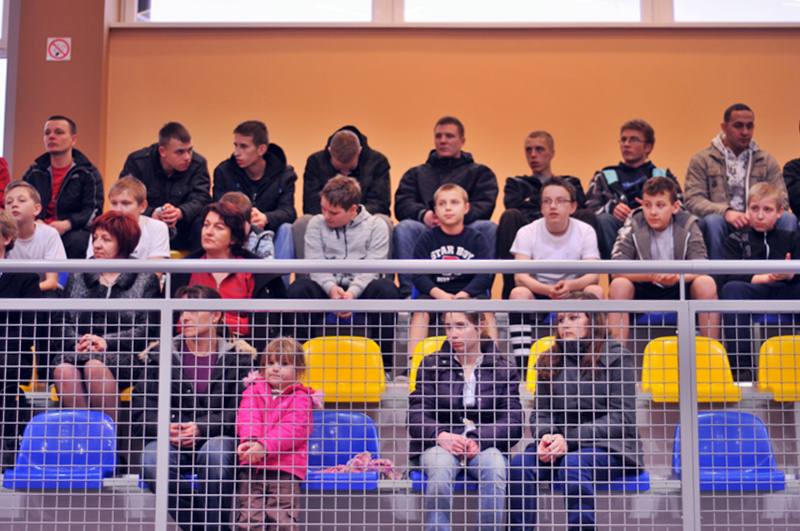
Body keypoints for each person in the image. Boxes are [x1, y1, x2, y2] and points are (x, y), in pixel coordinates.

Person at [508, 291, 644, 531]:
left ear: (593, 320)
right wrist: (547, 436)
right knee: (520, 466)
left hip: (611, 446)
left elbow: (622, 418)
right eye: (560, 319)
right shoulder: (549, 359)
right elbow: (541, 412)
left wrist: (569, 440)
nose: (565, 325)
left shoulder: (617, 356)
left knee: (574, 464)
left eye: (573, 317)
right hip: (560, 443)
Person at [134, 284, 254, 530]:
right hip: (172, 441)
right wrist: (166, 428)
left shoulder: (240, 357)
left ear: (216, 315)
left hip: (219, 439)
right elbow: (140, 410)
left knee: (215, 453)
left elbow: (245, 410)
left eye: (193, 310)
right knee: (151, 457)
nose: (184, 317)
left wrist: (201, 428)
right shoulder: (160, 356)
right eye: (181, 311)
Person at [407, 311, 522, 531]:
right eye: (448, 327)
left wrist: (479, 438)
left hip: (485, 444)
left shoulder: (503, 367)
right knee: (440, 468)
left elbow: (513, 419)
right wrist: (441, 435)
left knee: (495, 467)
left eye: (460, 326)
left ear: (480, 326)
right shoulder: (431, 364)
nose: (453, 334)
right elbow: (416, 413)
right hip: (440, 444)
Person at [52, 211, 161, 422]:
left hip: (123, 354)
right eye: (95, 238)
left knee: (94, 367)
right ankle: (85, 439)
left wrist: (106, 342)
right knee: (63, 371)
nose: (97, 245)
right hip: (78, 349)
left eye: (106, 239)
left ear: (124, 242)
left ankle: (109, 440)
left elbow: (146, 328)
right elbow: (61, 319)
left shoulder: (145, 277)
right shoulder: (78, 273)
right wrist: (79, 341)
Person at [287, 176, 399, 370]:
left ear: (353, 209)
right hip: (326, 287)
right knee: (298, 289)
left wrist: (352, 294)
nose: (326, 216)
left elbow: (373, 267)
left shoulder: (376, 225)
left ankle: (384, 367)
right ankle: (299, 365)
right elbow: (315, 264)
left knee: (387, 289)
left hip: (362, 288)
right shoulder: (315, 223)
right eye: (323, 209)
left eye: (333, 212)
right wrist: (332, 289)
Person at [394, 116, 498, 296]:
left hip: (465, 229)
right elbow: (402, 203)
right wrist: (424, 215)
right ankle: (409, 294)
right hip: (427, 229)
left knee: (488, 227)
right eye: (438, 136)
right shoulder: (415, 173)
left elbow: (485, 204)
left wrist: (454, 218)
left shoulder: (481, 173)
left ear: (462, 141)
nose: (443, 140)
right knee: (405, 228)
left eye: (449, 136)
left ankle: (478, 290)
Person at [608, 176, 719, 342]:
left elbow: (701, 266)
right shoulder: (634, 222)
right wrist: (651, 275)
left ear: (675, 207)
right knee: (619, 285)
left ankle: (712, 353)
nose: (653, 212)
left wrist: (676, 277)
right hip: (644, 285)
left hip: (680, 286)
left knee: (706, 283)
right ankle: (617, 354)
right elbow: (616, 269)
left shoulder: (688, 223)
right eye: (647, 205)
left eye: (660, 205)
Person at [508, 177, 603, 369]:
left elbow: (593, 274)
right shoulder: (527, 232)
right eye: (547, 201)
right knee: (518, 293)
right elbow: (520, 276)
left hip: (574, 294)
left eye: (560, 201)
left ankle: (594, 360)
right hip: (540, 292)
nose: (553, 206)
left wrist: (572, 286)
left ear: (573, 207)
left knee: (596, 291)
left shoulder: (585, 231)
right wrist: (547, 290)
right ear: (541, 207)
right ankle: (523, 367)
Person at [685, 103, 795, 260]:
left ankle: (785, 272)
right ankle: (717, 275)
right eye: (738, 126)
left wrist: (758, 213)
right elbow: (693, 200)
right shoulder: (702, 160)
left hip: (759, 218)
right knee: (713, 222)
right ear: (724, 127)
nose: (745, 132)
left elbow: (782, 198)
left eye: (750, 126)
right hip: (722, 222)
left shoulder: (767, 160)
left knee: (787, 218)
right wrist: (726, 212)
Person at [171, 202, 286, 344]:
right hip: (187, 346)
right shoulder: (182, 269)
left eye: (218, 227)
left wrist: (215, 324)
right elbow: (173, 322)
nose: (208, 232)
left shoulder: (257, 270)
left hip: (243, 349)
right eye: (206, 225)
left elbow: (262, 326)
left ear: (233, 238)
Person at [719, 182, 800, 381]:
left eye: (767, 209)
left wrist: (790, 274)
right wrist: (767, 277)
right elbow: (728, 274)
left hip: (785, 289)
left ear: (780, 212)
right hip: (752, 289)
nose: (760, 215)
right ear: (747, 210)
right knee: (731, 289)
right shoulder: (735, 239)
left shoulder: (792, 238)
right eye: (754, 209)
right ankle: (742, 369)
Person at [497, 130, 590, 298]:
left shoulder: (572, 182)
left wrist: (533, 203)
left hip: (566, 235)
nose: (533, 155)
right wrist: (554, 207)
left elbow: (579, 209)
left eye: (539, 149)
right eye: (529, 150)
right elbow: (514, 206)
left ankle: (583, 286)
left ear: (552, 153)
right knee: (510, 216)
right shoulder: (515, 184)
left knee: (587, 216)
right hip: (530, 239)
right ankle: (511, 290)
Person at [409, 183, 495, 359]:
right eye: (442, 204)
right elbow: (418, 274)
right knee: (420, 309)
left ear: (466, 207)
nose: (448, 208)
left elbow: (485, 274)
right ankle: (413, 363)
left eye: (454, 202)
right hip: (436, 294)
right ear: (435, 210)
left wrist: (464, 294)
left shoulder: (477, 238)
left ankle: (494, 360)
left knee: (486, 307)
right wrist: (440, 295)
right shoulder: (427, 239)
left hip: (469, 293)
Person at [235, 337, 314, 530]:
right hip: (253, 466)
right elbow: (248, 416)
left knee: (281, 519)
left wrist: (264, 446)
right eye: (270, 363)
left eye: (284, 364)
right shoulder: (253, 390)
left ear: (299, 369)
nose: (275, 368)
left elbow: (293, 428)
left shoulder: (302, 397)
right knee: (249, 517)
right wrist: (251, 441)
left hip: (285, 469)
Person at [585, 119, 679, 259]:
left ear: (648, 147)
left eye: (633, 140)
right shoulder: (603, 176)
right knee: (604, 220)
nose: (626, 144)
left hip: (655, 227)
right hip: (616, 228)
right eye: (623, 140)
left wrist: (652, 209)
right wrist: (611, 208)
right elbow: (589, 209)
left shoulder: (664, 176)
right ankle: (616, 269)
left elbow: (680, 207)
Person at [21, 115, 104, 258]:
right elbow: (21, 199)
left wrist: (68, 224)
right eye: (47, 133)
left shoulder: (87, 172)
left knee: (79, 241)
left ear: (73, 140)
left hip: (72, 231)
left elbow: (93, 211)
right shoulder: (34, 171)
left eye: (58, 132)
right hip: (37, 228)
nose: (51, 136)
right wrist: (36, 220)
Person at [213, 120, 297, 260]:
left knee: (287, 229)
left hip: (270, 232)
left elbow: (289, 212)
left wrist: (265, 218)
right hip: (236, 233)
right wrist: (244, 219)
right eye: (235, 145)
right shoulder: (224, 171)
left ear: (261, 149)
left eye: (244, 146)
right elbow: (218, 210)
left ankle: (280, 274)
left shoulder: (285, 174)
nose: (236, 153)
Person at [121, 121, 211, 251]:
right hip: (146, 223)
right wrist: (151, 212)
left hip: (184, 226)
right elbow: (126, 197)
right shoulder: (138, 162)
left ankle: (196, 263)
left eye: (190, 150)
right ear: (162, 151)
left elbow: (201, 198)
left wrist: (180, 212)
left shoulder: (198, 164)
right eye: (180, 152)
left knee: (201, 222)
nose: (187, 157)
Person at [0, 210, 41, 469]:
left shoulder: (24, 276)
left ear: (6, 239)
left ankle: (6, 448)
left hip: (9, 352)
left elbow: (28, 328)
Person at [303, 125, 391, 216]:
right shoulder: (315, 162)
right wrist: (335, 213)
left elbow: (379, 205)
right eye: (339, 169)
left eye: (350, 168)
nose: (345, 173)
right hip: (326, 217)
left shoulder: (378, 163)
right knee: (305, 220)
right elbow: (311, 204)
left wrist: (350, 214)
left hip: (364, 219)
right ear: (330, 151)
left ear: (359, 151)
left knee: (382, 219)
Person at [86, 176, 170, 260]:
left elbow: (155, 267)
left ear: (142, 206)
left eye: (125, 203)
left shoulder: (157, 227)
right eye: (114, 203)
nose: (118, 210)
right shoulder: (100, 227)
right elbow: (92, 264)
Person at [4, 181, 66, 292]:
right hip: (10, 292)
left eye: (21, 200)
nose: (14, 205)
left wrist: (25, 292)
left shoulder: (49, 234)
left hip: (42, 291)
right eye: (9, 202)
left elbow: (52, 282)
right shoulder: (3, 237)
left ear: (36, 209)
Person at [219, 191, 276, 259]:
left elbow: (267, 264)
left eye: (237, 223)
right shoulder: (218, 236)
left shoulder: (263, 238)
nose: (235, 228)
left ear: (248, 223)